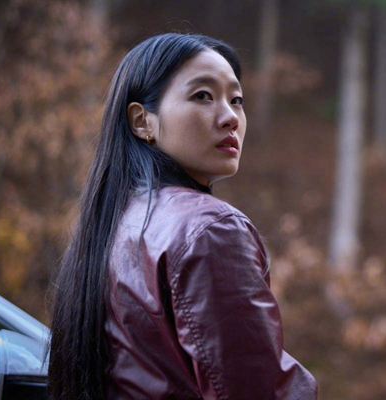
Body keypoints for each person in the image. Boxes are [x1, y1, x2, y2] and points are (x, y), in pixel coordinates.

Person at [48, 33, 318, 400]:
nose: (230, 118)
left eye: (236, 100)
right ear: (142, 121)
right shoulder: (209, 229)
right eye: (202, 96)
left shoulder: (113, 224)